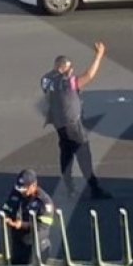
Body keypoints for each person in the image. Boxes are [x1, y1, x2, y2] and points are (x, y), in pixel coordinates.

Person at [41, 47, 113, 200]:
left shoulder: (46, 80)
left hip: (59, 125)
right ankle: (94, 188)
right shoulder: (67, 82)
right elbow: (89, 75)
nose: (72, 70)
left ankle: (70, 187)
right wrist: (99, 56)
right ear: (63, 68)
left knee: (66, 155)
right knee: (84, 156)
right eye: (70, 68)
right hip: (73, 126)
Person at [1, 169, 56, 266]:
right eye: (19, 188)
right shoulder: (16, 194)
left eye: (24, 189)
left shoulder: (44, 202)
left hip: (36, 248)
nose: (21, 191)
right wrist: (6, 217)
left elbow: (43, 226)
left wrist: (22, 224)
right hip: (18, 247)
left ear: (34, 185)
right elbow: (7, 208)